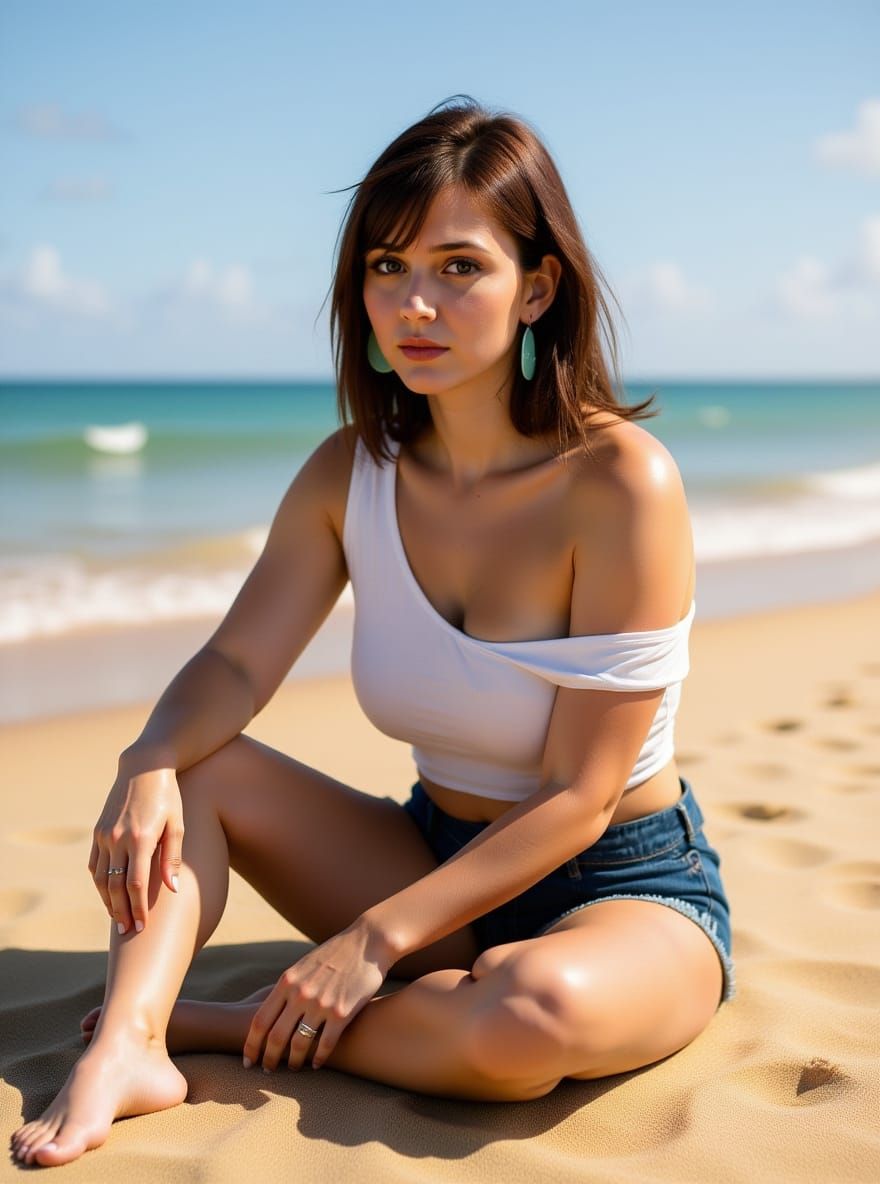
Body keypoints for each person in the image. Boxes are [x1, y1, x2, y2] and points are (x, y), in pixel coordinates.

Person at [11, 96, 735, 1169]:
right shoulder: (349, 470)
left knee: (522, 1020)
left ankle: (237, 1018)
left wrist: (370, 940)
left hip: (619, 884)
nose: (415, 304)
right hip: (429, 852)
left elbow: (582, 796)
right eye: (387, 268)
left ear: (537, 286)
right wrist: (148, 757)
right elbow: (236, 661)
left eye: (458, 267)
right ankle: (129, 1043)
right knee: (197, 767)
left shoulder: (621, 483)